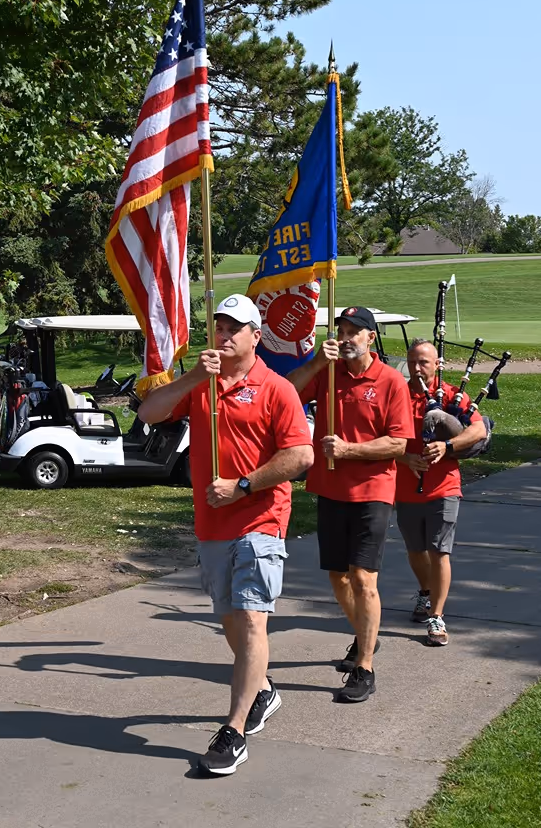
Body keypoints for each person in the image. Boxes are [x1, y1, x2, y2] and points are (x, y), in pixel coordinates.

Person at [138, 294, 313, 776]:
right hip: (212, 523)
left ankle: (233, 730)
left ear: (257, 336)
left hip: (261, 519)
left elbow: (300, 457)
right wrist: (195, 377)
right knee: (231, 619)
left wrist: (242, 485)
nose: (224, 335)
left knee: (253, 618)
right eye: (219, 326)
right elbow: (150, 412)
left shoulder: (277, 389)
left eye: (235, 327)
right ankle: (264, 689)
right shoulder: (202, 385)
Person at [288, 306, 414, 704]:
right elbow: (286, 393)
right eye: (341, 330)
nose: (345, 337)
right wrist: (313, 363)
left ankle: (364, 667)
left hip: (373, 491)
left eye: (354, 332)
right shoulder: (326, 373)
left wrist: (349, 450)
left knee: (363, 577)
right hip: (330, 489)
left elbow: (398, 443)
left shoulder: (391, 381)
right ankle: (365, 639)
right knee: (338, 579)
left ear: (371, 338)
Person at [395, 339, 487, 647]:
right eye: (412, 361)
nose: (417, 368)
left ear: (437, 364)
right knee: (415, 550)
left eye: (423, 362)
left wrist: (447, 446)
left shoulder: (449, 396)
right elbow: (379, 436)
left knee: (439, 551)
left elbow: (478, 431)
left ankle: (437, 615)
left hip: (444, 486)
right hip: (406, 486)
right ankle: (425, 591)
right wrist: (404, 458)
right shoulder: (397, 394)